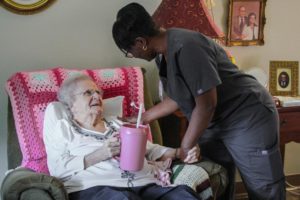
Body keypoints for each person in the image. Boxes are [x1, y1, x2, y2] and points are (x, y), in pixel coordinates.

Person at [112, 2, 286, 200]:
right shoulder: (162, 56)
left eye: (129, 51)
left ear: (141, 42)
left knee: (264, 189)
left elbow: (206, 104)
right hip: (215, 121)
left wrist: (186, 146)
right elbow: (177, 97)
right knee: (217, 178)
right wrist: (143, 117)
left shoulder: (188, 46)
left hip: (247, 116)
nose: (132, 56)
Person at [43, 74, 202, 200]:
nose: (97, 97)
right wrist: (101, 154)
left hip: (146, 184)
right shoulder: (63, 128)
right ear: (71, 103)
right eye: (88, 93)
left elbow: (149, 149)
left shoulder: (118, 124)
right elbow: (58, 170)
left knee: (184, 195)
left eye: (98, 92)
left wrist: (180, 152)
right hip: (97, 189)